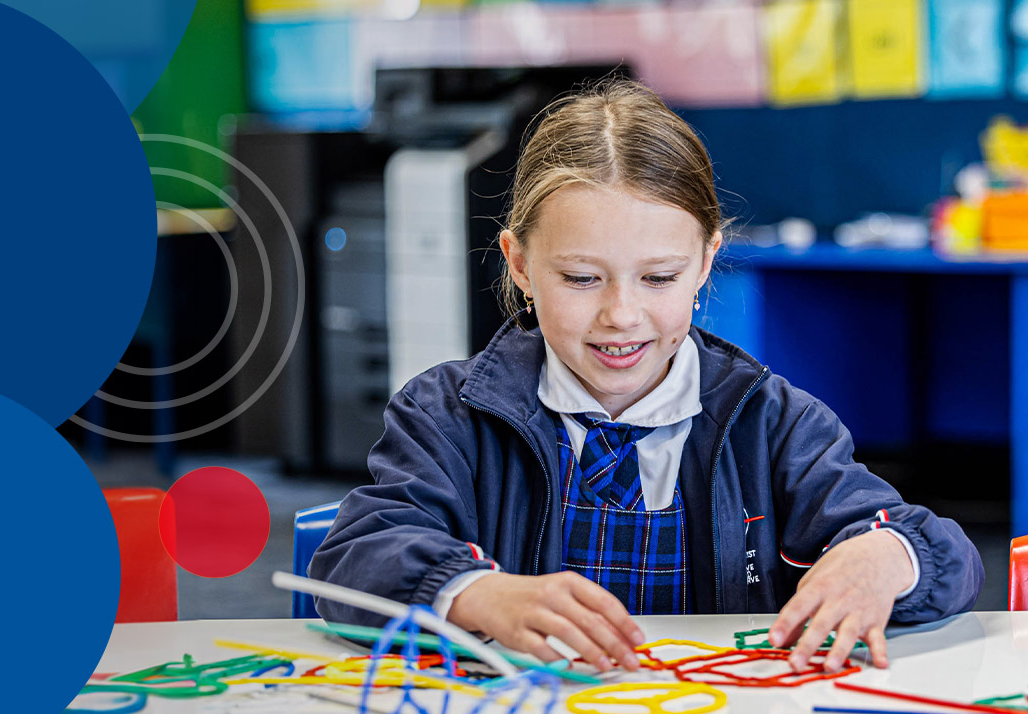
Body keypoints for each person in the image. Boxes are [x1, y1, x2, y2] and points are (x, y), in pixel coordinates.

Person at [308, 79, 983, 674]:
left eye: (658, 278)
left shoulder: (773, 423)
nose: (621, 315)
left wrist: (886, 556)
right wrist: (472, 592)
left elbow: (943, 552)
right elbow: (355, 557)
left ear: (705, 262)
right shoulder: (447, 415)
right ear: (518, 264)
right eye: (580, 278)